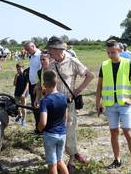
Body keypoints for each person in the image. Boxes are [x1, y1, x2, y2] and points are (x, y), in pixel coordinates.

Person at [47, 36, 94, 171]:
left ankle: (72, 159)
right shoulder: (51, 64)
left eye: (50, 49)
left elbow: (89, 75)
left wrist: (77, 90)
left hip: (68, 102)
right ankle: (59, 158)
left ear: (58, 50)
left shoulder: (72, 61)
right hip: (55, 104)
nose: (49, 52)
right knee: (56, 131)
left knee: (69, 129)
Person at [96, 40, 131, 174]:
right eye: (108, 53)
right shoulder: (104, 65)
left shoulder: (129, 64)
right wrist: (98, 103)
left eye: (113, 52)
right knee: (113, 132)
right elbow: (99, 85)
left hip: (125, 104)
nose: (111, 55)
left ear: (120, 51)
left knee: (128, 133)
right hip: (110, 105)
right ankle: (117, 160)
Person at [38, 70, 69, 174]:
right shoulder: (63, 97)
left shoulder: (45, 101)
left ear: (44, 84)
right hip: (62, 134)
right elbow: (65, 116)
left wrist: (39, 129)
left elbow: (43, 122)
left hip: (50, 135)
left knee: (52, 164)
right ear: (57, 82)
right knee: (60, 161)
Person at [23, 41, 42, 133]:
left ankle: (41, 129)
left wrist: (38, 85)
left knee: (38, 106)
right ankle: (38, 127)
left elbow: (41, 71)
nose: (26, 51)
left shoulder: (40, 56)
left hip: (37, 85)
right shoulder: (32, 56)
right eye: (26, 50)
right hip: (32, 84)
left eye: (28, 49)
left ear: (33, 46)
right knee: (35, 107)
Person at [13, 62, 29, 127]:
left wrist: (24, 93)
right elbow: (14, 84)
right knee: (17, 105)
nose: (19, 70)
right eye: (17, 69)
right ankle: (20, 115)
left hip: (23, 93)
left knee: (23, 106)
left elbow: (27, 85)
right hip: (17, 92)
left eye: (20, 69)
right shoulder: (17, 75)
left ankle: (24, 120)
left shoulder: (25, 75)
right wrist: (16, 78)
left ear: (23, 68)